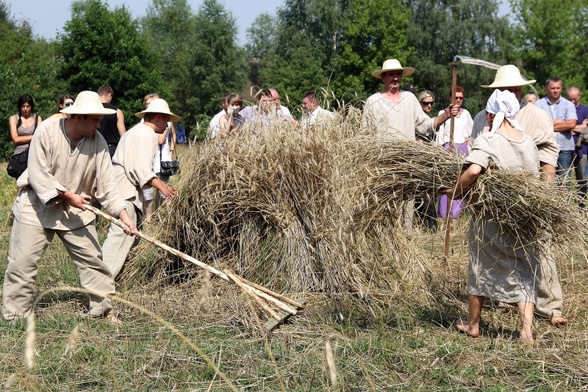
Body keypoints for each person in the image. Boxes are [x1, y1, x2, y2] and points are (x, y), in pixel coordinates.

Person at [2, 91, 137, 322]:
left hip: (76, 210)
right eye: (95, 119)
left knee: (94, 263)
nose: (99, 124)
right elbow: (38, 172)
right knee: (22, 263)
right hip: (36, 206)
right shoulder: (46, 131)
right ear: (78, 117)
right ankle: (14, 317)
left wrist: (124, 216)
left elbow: (108, 186)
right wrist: (66, 194)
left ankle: (102, 311)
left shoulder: (99, 142)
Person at [473, 64, 567, 327]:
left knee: (540, 246)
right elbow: (474, 155)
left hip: (529, 196)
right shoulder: (483, 117)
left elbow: (549, 154)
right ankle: (505, 297)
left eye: (515, 89)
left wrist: (544, 193)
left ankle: (550, 306)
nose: (512, 93)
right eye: (506, 89)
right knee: (496, 248)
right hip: (493, 199)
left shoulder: (535, 116)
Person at [445, 89, 540, 345]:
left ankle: (473, 325)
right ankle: (526, 332)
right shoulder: (527, 140)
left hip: (492, 218)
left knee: (480, 268)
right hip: (525, 218)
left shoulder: (489, 139)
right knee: (524, 269)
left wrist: (455, 191)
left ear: (491, 114)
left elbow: (474, 169)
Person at [361, 59, 457, 233]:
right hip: (383, 164)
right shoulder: (373, 102)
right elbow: (365, 135)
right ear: (383, 77)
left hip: (407, 163)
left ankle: (406, 241)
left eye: (398, 74)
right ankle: (386, 243)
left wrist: (446, 115)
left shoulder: (409, 99)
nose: (395, 78)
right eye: (391, 74)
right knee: (386, 208)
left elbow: (425, 125)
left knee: (407, 207)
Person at [102, 98, 179, 278]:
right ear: (159, 117)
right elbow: (141, 169)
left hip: (124, 187)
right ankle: (101, 282)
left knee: (128, 235)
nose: (167, 124)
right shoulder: (147, 134)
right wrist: (163, 188)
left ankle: (112, 278)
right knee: (121, 236)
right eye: (166, 119)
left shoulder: (136, 131)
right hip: (125, 190)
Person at [437, 86, 473, 219]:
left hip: (462, 151)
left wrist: (467, 142)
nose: (458, 100)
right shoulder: (443, 112)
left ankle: (456, 213)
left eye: (460, 98)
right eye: (455, 97)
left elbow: (471, 132)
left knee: (460, 181)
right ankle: (443, 213)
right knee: (446, 181)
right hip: (447, 149)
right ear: (450, 97)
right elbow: (439, 134)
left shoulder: (466, 114)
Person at [534, 77, 578, 188]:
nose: (555, 90)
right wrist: (562, 122)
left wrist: (548, 123)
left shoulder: (568, 104)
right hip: (545, 147)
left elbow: (572, 124)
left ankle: (566, 205)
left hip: (564, 148)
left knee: (564, 181)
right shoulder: (538, 105)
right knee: (546, 181)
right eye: (552, 88)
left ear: (561, 89)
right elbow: (538, 125)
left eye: (558, 88)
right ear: (546, 89)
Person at [140, 93, 177, 223]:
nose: (149, 105)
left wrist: (171, 150)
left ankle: (162, 217)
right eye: (147, 103)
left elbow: (174, 135)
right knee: (148, 192)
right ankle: (149, 219)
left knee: (163, 191)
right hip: (151, 161)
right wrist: (165, 128)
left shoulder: (167, 121)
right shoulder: (144, 122)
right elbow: (161, 139)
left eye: (151, 103)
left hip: (164, 160)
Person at [7, 94, 43, 179]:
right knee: (20, 183)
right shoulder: (14, 119)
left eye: (28, 106)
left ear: (31, 107)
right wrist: (34, 137)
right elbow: (15, 139)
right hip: (19, 155)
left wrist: (23, 138)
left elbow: (41, 137)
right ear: (20, 107)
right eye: (23, 106)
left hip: (34, 153)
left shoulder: (38, 118)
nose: (25, 109)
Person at [567, 86, 588, 208]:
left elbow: (586, 130)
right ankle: (567, 206)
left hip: (582, 150)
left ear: (579, 96)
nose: (572, 102)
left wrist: (569, 128)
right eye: (570, 99)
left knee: (582, 180)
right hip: (566, 148)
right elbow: (557, 126)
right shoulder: (564, 108)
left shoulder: (585, 110)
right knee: (565, 179)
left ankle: (581, 205)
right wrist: (580, 127)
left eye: (574, 99)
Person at [97, 85, 126, 158]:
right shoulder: (117, 111)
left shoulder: (91, 110)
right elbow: (123, 136)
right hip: (111, 148)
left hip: (94, 146)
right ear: (109, 94)